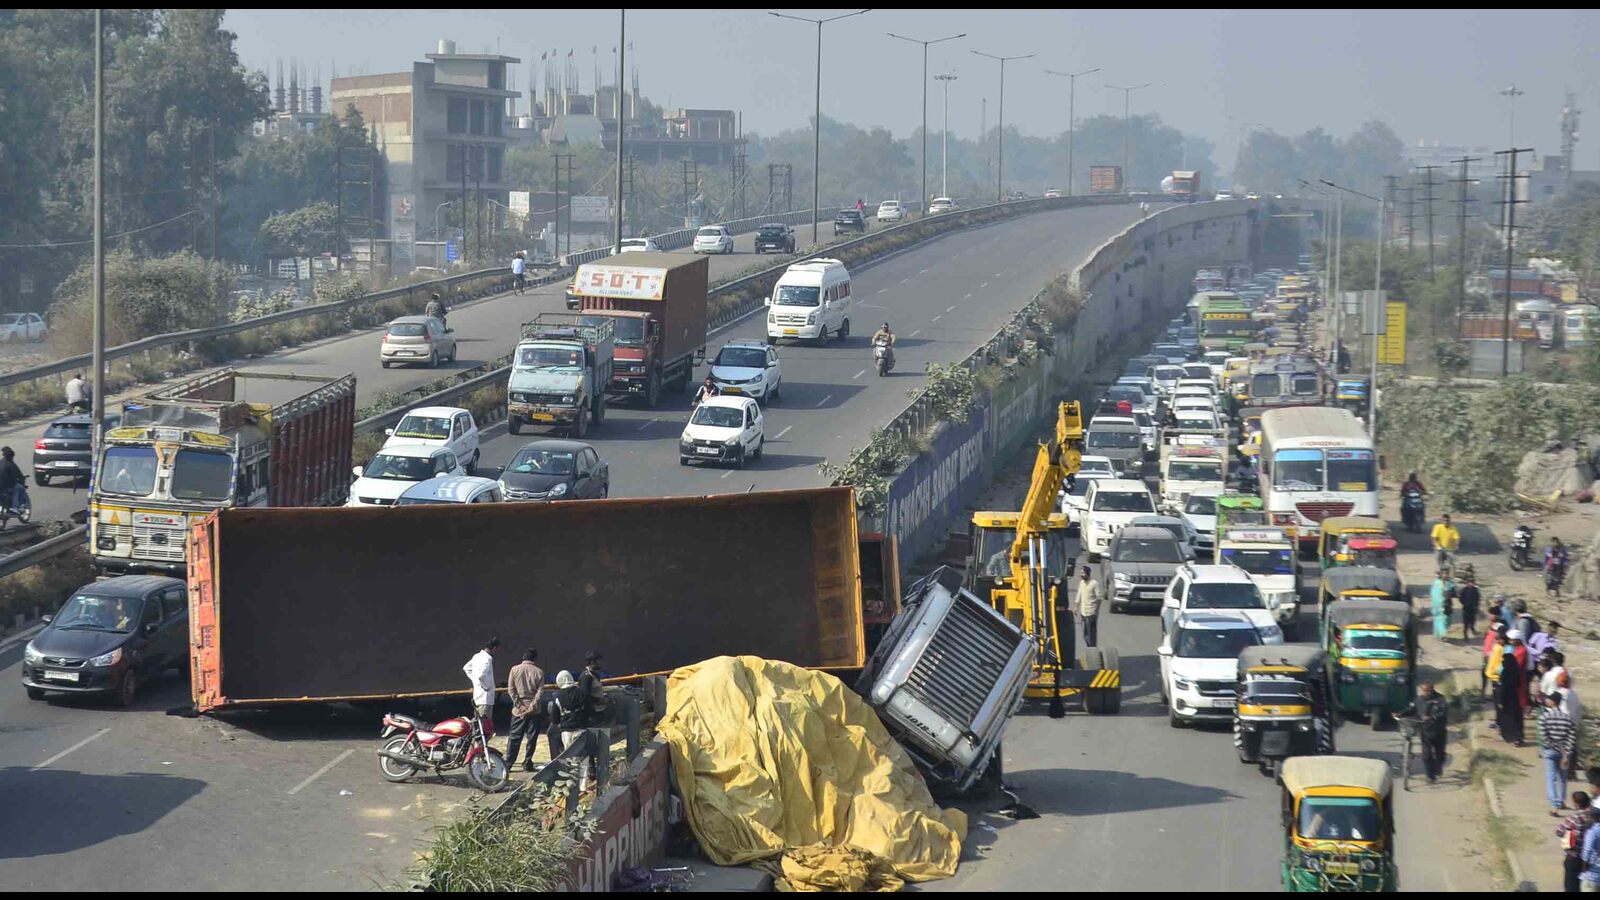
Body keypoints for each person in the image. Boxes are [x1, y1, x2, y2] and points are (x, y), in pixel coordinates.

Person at [504, 648, 546, 773]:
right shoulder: (539, 672)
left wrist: (520, 706)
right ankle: (527, 763)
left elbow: (511, 690)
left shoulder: (514, 669)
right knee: (532, 738)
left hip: (518, 711)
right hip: (535, 711)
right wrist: (531, 707)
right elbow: (540, 692)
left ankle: (508, 764)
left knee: (514, 738)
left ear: (523, 658)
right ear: (534, 659)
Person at [551, 670, 592, 789]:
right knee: (583, 758)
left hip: (567, 731)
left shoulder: (556, 696)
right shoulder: (581, 692)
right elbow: (588, 710)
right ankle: (583, 786)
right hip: (582, 729)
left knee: (569, 757)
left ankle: (571, 784)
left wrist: (558, 723)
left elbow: (555, 717)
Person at [1543, 690, 1580, 816]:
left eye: (1549, 699)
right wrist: (1565, 752)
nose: (1547, 701)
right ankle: (1561, 801)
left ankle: (1554, 805)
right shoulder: (1567, 718)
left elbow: (1545, 737)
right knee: (1562, 779)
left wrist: (1555, 746)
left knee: (1550, 778)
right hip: (1564, 754)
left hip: (1550, 751)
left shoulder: (1545, 717)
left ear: (1553, 702)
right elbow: (1571, 738)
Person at [1559, 791, 1595, 892]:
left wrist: (1571, 834)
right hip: (1591, 858)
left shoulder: (1575, 818)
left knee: (1571, 886)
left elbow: (1559, 831)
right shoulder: (1594, 816)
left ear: (1577, 804)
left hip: (1574, 856)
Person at [1498, 632, 1528, 746]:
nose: (1510, 641)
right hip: (1515, 689)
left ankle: (1517, 737)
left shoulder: (1521, 652)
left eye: (1512, 639)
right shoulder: (1516, 651)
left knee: (1517, 714)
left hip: (1517, 691)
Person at [1418, 680, 1450, 784]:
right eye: (1423, 691)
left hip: (1438, 731)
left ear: (1432, 690)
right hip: (1425, 732)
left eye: (1427, 691)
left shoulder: (1440, 699)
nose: (1425, 693)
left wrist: (1432, 717)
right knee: (1426, 755)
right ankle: (1430, 776)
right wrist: (1400, 714)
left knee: (1439, 755)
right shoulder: (1419, 700)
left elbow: (1443, 712)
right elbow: (1412, 709)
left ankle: (1438, 767)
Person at [463, 637, 500, 719]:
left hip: (477, 697)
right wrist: (486, 686)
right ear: (494, 648)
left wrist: (474, 680)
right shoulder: (487, 659)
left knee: (478, 724)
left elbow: (466, 668)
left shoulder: (476, 656)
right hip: (485, 698)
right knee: (485, 725)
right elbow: (481, 676)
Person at [1076, 564, 1103, 649]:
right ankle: (1089, 648)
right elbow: (1079, 595)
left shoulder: (1094, 584)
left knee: (1091, 634)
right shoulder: (1081, 583)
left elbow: (1099, 598)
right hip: (1083, 612)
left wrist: (1096, 610)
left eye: (1083, 573)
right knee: (1085, 634)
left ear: (1088, 573)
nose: (1081, 575)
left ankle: (1092, 649)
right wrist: (1076, 607)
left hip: (1092, 612)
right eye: (1081, 573)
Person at [579, 650, 607, 728]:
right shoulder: (586, 677)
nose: (601, 663)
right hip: (592, 715)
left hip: (599, 711)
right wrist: (598, 700)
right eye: (599, 660)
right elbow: (584, 696)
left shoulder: (595, 675)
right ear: (592, 662)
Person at [1429, 569, 1454, 640]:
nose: (1445, 575)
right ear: (1441, 574)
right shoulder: (1437, 583)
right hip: (1439, 605)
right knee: (1441, 619)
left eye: (1447, 574)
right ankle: (1443, 635)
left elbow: (1454, 592)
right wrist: (1439, 602)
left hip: (1448, 604)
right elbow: (1434, 594)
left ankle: (1440, 634)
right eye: (1444, 574)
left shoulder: (1450, 583)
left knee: (1447, 621)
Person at [1581, 803, 1600, 891]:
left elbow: (1587, 849)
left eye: (1588, 817)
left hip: (1593, 874)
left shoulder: (1592, 831)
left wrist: (1584, 865)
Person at [1458, 569, 1482, 640]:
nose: (1471, 584)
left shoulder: (1475, 590)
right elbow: (1460, 598)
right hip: (1466, 608)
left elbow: (1478, 598)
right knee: (1466, 623)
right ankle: (1465, 635)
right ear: (1467, 583)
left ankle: (1473, 630)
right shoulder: (1464, 590)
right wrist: (1464, 603)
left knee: (1473, 621)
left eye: (1472, 582)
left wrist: (1477, 605)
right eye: (1469, 582)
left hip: (1473, 608)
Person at [0, 447, 24, 514]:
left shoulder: (1, 462)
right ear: (11, 456)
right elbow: (19, 475)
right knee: (18, 488)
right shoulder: (11, 464)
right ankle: (15, 507)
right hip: (5, 487)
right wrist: (22, 482)